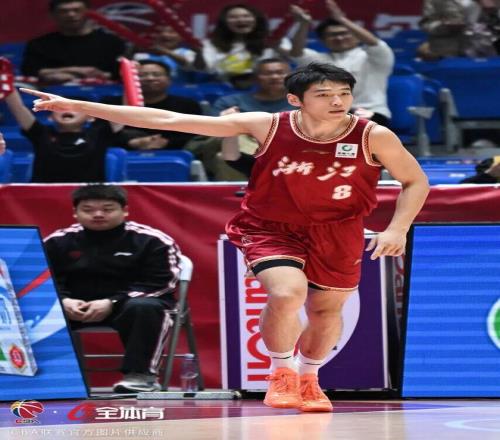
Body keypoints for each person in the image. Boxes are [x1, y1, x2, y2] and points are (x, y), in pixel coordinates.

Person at [23, 62, 430, 412]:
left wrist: (397, 228)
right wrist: (80, 105)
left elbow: (415, 181)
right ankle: (281, 372)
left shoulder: (372, 135)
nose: (337, 101)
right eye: (324, 95)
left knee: (326, 311)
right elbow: (170, 120)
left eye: (343, 93)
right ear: (296, 100)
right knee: (287, 293)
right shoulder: (267, 125)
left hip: (339, 230)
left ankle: (309, 378)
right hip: (270, 228)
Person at [43, 184, 182, 393]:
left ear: (125, 211)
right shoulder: (57, 242)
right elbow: (41, 279)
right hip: (74, 307)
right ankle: (46, 378)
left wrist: (113, 302)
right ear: (75, 213)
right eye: (88, 210)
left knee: (145, 307)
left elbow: (163, 282)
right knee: (35, 307)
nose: (98, 214)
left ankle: (140, 376)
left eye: (107, 209)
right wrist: (63, 300)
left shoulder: (152, 241)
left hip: (128, 305)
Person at [289, 0, 394, 127]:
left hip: (370, 113)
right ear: (322, 40)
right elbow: (296, 53)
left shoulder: (375, 57)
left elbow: (375, 44)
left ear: (356, 36)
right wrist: (304, 24)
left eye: (344, 33)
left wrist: (342, 19)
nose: (339, 38)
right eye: (332, 35)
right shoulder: (319, 59)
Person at [2, 86, 119, 183]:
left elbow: (124, 114)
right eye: (60, 108)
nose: (66, 110)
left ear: (91, 117)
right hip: (44, 196)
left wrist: (127, 74)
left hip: (90, 196)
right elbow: (17, 107)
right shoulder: (40, 133)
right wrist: (7, 82)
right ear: (50, 117)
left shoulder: (100, 134)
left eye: (75, 108)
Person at [21, 0, 126, 84]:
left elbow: (121, 73)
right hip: (55, 96)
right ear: (52, 14)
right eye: (63, 11)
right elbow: (31, 71)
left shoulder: (112, 42)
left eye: (77, 10)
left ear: (88, 12)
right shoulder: (39, 44)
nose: (71, 14)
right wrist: (79, 71)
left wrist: (99, 75)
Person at [108, 60, 203, 150]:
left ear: (169, 80)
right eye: (142, 75)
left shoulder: (188, 105)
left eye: (157, 74)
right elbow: (104, 133)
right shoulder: (112, 104)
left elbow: (196, 135)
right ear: (130, 79)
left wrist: (167, 142)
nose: (150, 78)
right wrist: (132, 142)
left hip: (176, 151)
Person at [200, 4, 291, 89]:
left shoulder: (275, 41)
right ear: (223, 22)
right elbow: (204, 68)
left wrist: (277, 47)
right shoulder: (210, 44)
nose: (240, 20)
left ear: (257, 19)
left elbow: (295, 58)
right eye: (233, 17)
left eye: (246, 16)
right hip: (223, 89)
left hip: (268, 90)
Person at [418, 0, 497, 59]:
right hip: (446, 51)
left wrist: (491, 11)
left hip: (479, 50)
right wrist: (444, 27)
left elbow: (491, 23)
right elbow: (426, 23)